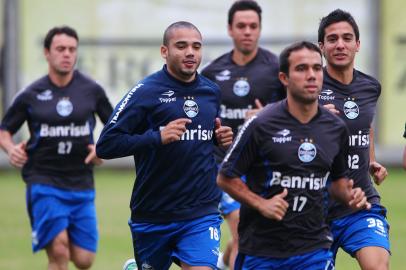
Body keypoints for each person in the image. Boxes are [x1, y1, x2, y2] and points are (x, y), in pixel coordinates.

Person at [217, 41, 371, 270]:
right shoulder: (261, 124)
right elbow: (225, 178)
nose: (311, 75)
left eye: (316, 68)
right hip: (262, 251)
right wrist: (261, 204)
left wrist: (352, 195)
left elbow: (338, 185)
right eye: (301, 69)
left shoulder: (336, 128)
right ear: (284, 78)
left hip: (314, 249)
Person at [96, 21, 233, 270]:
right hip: (153, 214)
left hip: (200, 211)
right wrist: (157, 137)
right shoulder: (145, 92)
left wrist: (218, 139)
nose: (190, 52)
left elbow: (200, 139)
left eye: (196, 46)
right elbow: (105, 145)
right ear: (164, 51)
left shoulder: (211, 92)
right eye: (181, 46)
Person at [0, 26, 113, 270]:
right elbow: (4, 130)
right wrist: (10, 149)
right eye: (60, 49)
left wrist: (102, 148)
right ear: (47, 53)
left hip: (81, 183)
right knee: (59, 251)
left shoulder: (91, 90)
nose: (67, 54)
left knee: (84, 260)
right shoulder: (31, 94)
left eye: (72, 49)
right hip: (43, 181)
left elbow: (116, 124)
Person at [201, 1, 285, 268]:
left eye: (253, 26)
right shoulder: (212, 73)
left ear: (260, 29)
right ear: (229, 29)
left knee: (252, 234)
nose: (247, 31)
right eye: (241, 26)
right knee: (240, 233)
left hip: (263, 166)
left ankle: (224, 264)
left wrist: (268, 113)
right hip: (224, 165)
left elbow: (296, 113)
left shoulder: (277, 70)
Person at [317, 9, 390, 269]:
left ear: (357, 44)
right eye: (333, 39)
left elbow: (365, 124)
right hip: (314, 212)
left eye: (347, 38)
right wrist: (312, 120)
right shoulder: (306, 88)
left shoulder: (370, 87)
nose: (340, 44)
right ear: (321, 46)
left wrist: (370, 160)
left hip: (361, 204)